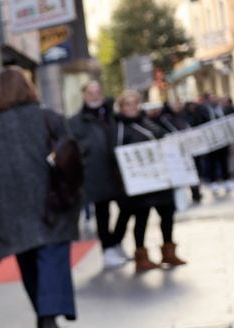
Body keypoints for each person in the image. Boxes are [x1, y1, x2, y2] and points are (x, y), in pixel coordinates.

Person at [0, 67, 79, 328]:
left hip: (13, 211)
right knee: (53, 259)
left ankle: (41, 312)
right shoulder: (50, 119)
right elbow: (71, 161)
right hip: (52, 203)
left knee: (29, 264)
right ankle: (49, 315)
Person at [115, 91, 185, 270]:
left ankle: (169, 251)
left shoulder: (149, 122)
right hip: (141, 183)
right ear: (122, 107)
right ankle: (141, 256)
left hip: (160, 179)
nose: (132, 108)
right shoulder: (119, 128)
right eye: (128, 104)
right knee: (141, 218)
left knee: (167, 214)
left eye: (135, 103)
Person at [68, 81, 129, 269]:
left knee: (128, 208)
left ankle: (116, 241)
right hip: (95, 174)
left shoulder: (112, 116)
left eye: (97, 92)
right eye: (90, 92)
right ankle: (108, 249)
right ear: (84, 95)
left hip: (118, 172)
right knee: (102, 213)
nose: (94, 96)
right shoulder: (76, 122)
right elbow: (73, 147)